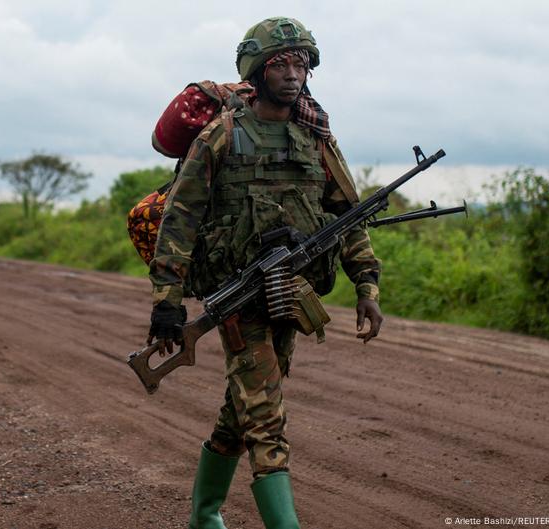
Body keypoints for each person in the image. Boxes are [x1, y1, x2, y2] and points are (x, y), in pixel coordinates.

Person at [146, 17, 383, 529]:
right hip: (238, 298)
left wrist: (367, 284)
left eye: (302, 64)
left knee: (246, 406)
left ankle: (205, 514)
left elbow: (348, 215)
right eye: (282, 64)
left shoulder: (314, 136)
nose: (294, 74)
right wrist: (168, 300)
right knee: (267, 419)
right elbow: (180, 219)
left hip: (289, 294)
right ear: (257, 70)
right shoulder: (222, 135)